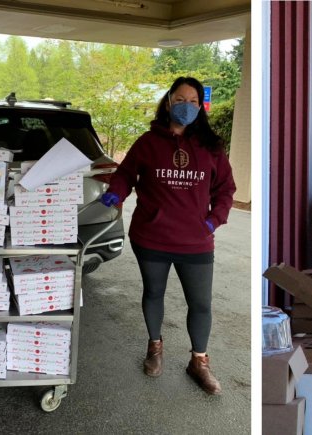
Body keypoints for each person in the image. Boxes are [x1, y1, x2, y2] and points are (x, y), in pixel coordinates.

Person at [101, 76, 236, 395]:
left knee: (201, 303)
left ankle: (199, 361)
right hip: (152, 238)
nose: (186, 106)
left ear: (200, 106)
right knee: (153, 292)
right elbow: (125, 174)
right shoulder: (148, 142)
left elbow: (226, 189)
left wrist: (213, 221)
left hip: (196, 241)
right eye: (180, 99)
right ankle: (155, 346)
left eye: (193, 101)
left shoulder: (211, 147)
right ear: (168, 101)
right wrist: (115, 194)